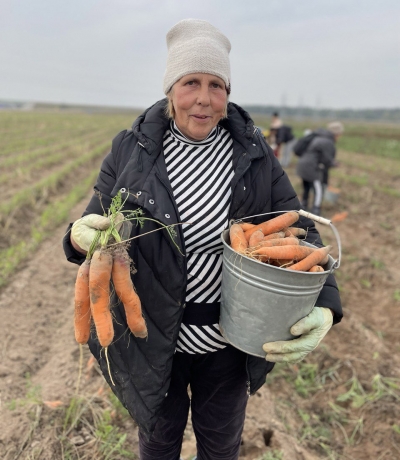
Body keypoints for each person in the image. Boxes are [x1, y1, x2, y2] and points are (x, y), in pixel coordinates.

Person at [63, 19, 343, 460]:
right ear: (171, 87)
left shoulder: (252, 154)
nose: (204, 99)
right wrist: (80, 237)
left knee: (220, 449)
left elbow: (302, 231)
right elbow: (91, 223)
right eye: (191, 82)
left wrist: (326, 301)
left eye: (217, 85)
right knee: (158, 448)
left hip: (230, 342)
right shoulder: (131, 150)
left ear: (228, 93)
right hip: (153, 339)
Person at [296, 122, 344, 216]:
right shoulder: (328, 141)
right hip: (311, 167)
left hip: (303, 164)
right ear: (337, 134)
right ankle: (316, 209)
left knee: (306, 187)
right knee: (318, 189)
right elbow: (327, 159)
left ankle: (303, 205)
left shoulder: (318, 137)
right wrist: (334, 163)